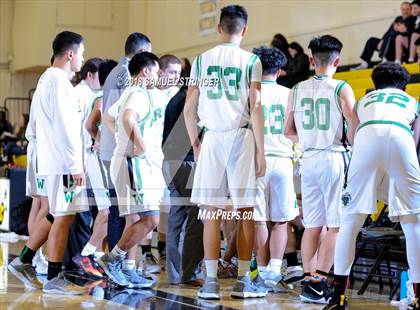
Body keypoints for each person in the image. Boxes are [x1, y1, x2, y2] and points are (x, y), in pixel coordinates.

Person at [184, 5, 267, 299]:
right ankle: (244, 280)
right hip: (241, 137)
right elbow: (255, 106)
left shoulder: (201, 59)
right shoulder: (252, 60)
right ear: (244, 30)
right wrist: (262, 150)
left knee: (210, 213)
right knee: (245, 212)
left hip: (212, 139)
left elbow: (189, 107)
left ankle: (209, 282)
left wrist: (195, 142)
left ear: (219, 28)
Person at [325, 62, 420, 310]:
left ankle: (338, 298)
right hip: (402, 139)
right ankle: (418, 298)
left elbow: (353, 137)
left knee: (349, 223)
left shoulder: (363, 101)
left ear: (375, 84)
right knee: (413, 224)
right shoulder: (412, 102)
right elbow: (416, 140)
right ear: (404, 85)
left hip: (366, 141)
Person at [8, 30, 88, 295]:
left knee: (55, 214)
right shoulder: (60, 83)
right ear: (70, 54)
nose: (82, 59)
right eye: (81, 53)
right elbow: (66, 129)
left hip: (50, 160)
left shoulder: (46, 78)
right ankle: (54, 277)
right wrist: (76, 165)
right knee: (63, 217)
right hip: (62, 163)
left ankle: (24, 259)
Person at [285, 35, 358, 304]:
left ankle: (308, 283)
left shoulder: (296, 89)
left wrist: (308, 140)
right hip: (333, 158)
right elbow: (354, 126)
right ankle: (319, 280)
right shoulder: (341, 87)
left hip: (309, 160)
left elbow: (287, 131)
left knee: (312, 225)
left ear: (312, 60)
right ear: (337, 60)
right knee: (335, 226)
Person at [97, 52, 160, 289]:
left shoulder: (129, 91)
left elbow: (108, 116)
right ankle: (112, 260)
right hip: (132, 162)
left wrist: (120, 137)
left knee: (136, 218)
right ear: (145, 71)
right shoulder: (139, 93)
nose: (157, 76)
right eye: (155, 71)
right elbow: (126, 117)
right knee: (151, 218)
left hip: (125, 160)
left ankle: (125, 267)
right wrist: (140, 144)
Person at [251, 45, 300, 290]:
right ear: (281, 70)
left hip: (256, 160)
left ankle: (260, 272)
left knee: (258, 220)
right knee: (282, 221)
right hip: (282, 160)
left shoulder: (249, 92)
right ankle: (274, 270)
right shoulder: (291, 94)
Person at [100, 33, 152, 256]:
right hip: (119, 151)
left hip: (115, 148)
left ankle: (118, 263)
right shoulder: (126, 75)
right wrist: (131, 142)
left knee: (122, 212)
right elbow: (121, 116)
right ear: (141, 53)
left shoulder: (117, 71)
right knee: (122, 214)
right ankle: (116, 263)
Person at [71, 58, 118, 278]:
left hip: (101, 158)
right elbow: (89, 125)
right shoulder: (101, 97)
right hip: (96, 158)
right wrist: (100, 139)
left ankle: (94, 254)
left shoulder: (106, 95)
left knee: (107, 211)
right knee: (107, 210)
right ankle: (87, 254)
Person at [138, 54, 182, 274]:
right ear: (161, 72)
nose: (177, 76)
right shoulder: (149, 94)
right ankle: (146, 253)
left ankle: (164, 250)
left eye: (179, 73)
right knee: (150, 207)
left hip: (172, 156)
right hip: (151, 157)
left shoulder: (180, 95)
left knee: (169, 205)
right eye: (173, 72)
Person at [162, 69, 204, 285]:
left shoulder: (175, 98)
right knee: (200, 213)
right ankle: (190, 272)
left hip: (170, 163)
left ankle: (176, 273)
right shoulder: (188, 101)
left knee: (176, 219)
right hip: (185, 163)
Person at [353, 1, 414, 69]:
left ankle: (384, 61)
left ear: (411, 10)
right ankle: (365, 62)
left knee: (391, 38)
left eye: (407, 9)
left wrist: (403, 30)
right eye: (403, 9)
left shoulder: (413, 19)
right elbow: (388, 31)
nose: (405, 11)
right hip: (387, 42)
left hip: (399, 46)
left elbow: (411, 34)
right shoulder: (398, 18)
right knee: (372, 40)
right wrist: (382, 40)